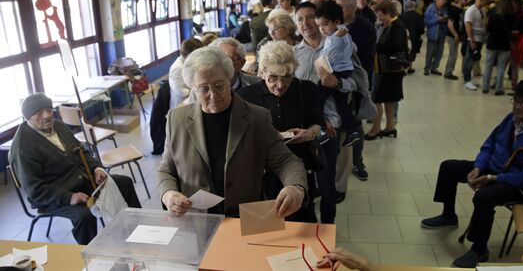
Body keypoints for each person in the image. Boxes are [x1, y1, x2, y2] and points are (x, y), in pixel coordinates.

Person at [421, 81, 523, 268]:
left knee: (484, 197)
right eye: (516, 101)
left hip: (521, 184)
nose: (518, 106)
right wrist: (478, 168)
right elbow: (489, 145)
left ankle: (479, 249)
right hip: (496, 169)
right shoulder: (511, 119)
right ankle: (449, 215)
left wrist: (494, 179)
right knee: (448, 167)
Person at [157, 46, 307, 218]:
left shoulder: (257, 117)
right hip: (196, 219)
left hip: (247, 218)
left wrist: (296, 187)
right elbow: (166, 170)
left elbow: (286, 161)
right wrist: (168, 194)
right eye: (203, 88)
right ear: (192, 88)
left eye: (219, 86)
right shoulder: (177, 120)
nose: (213, 95)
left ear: (229, 79)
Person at [9, 93, 141, 244]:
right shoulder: (23, 147)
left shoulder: (58, 126)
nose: (47, 116)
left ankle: (138, 230)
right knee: (84, 216)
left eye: (49, 110)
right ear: (28, 118)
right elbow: (35, 190)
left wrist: (96, 168)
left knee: (124, 183)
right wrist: (68, 197)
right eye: (39, 113)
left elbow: (82, 151)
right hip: (54, 196)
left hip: (80, 180)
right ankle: (90, 256)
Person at [294, 1, 368, 223]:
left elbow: (359, 82)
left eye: (309, 17)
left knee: (327, 180)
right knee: (302, 179)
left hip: (333, 126)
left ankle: (327, 224)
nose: (305, 23)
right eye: (300, 19)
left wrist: (337, 84)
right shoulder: (293, 53)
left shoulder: (340, 44)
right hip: (304, 126)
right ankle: (305, 224)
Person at [238, 41, 323, 222]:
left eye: (287, 77)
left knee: (300, 221)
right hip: (262, 171)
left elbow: (317, 123)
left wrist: (308, 134)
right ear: (262, 73)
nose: (280, 85)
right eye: (273, 78)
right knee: (263, 226)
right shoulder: (246, 97)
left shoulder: (305, 89)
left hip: (298, 165)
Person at [336, 0, 376, 181]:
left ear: (352, 8)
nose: (338, 10)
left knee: (356, 123)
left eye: (342, 6)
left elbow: (367, 58)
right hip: (336, 84)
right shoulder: (333, 25)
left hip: (355, 82)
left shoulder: (365, 27)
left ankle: (357, 162)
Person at [314, 0, 361, 147]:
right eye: (319, 25)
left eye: (325, 24)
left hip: (336, 73)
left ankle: (322, 131)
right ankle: (353, 130)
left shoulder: (334, 38)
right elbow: (354, 48)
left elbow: (327, 57)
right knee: (342, 105)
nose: (322, 29)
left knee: (317, 100)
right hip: (345, 70)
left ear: (336, 21)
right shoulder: (342, 31)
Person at [365, 0, 408, 140]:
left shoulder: (397, 27)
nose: (379, 18)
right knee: (389, 100)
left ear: (389, 13)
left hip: (389, 70)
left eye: (381, 15)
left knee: (377, 99)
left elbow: (396, 47)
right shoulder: (388, 25)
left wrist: (374, 46)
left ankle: (376, 129)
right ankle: (390, 127)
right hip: (386, 69)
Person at [482, 0, 514, 95]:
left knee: (488, 65)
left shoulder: (493, 14)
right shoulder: (512, 15)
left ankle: (485, 86)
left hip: (492, 43)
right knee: (501, 67)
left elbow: (488, 28)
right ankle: (498, 88)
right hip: (505, 44)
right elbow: (512, 30)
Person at [463, 0, 490, 91]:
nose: (487, 2)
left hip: (480, 39)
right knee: (469, 60)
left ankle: (469, 79)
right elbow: (468, 27)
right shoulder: (471, 10)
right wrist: (472, 40)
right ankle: (466, 81)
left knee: (474, 59)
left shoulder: (480, 10)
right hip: (474, 39)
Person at [169, 37, 202, 109]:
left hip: (192, 101)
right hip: (181, 105)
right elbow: (180, 91)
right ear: (189, 53)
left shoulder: (189, 62)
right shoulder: (177, 68)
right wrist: (198, 90)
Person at [423, 0, 449, 76]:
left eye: (445, 0)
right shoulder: (430, 8)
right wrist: (438, 19)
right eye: (443, 0)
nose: (444, 2)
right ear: (437, 0)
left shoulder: (444, 8)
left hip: (442, 34)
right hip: (433, 34)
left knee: (439, 53)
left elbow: (446, 17)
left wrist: (445, 18)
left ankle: (434, 68)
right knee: (430, 52)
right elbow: (427, 22)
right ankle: (427, 68)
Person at [444, 0, 468, 80]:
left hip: (456, 35)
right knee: (453, 54)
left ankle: (449, 71)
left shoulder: (461, 10)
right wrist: (455, 35)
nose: (466, 1)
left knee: (454, 54)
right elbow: (450, 24)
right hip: (451, 35)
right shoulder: (454, 10)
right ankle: (448, 73)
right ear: (459, 0)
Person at [509, 0, 523, 91]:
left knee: (514, 64)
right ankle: (497, 81)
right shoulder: (509, 13)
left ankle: (514, 83)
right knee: (502, 63)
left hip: (516, 42)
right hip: (507, 40)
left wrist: (516, 31)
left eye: (512, 3)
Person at [402, 0, 425, 74]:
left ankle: (403, 67)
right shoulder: (418, 15)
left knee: (404, 51)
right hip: (415, 37)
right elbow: (421, 27)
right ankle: (410, 67)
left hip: (404, 37)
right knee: (413, 52)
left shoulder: (403, 15)